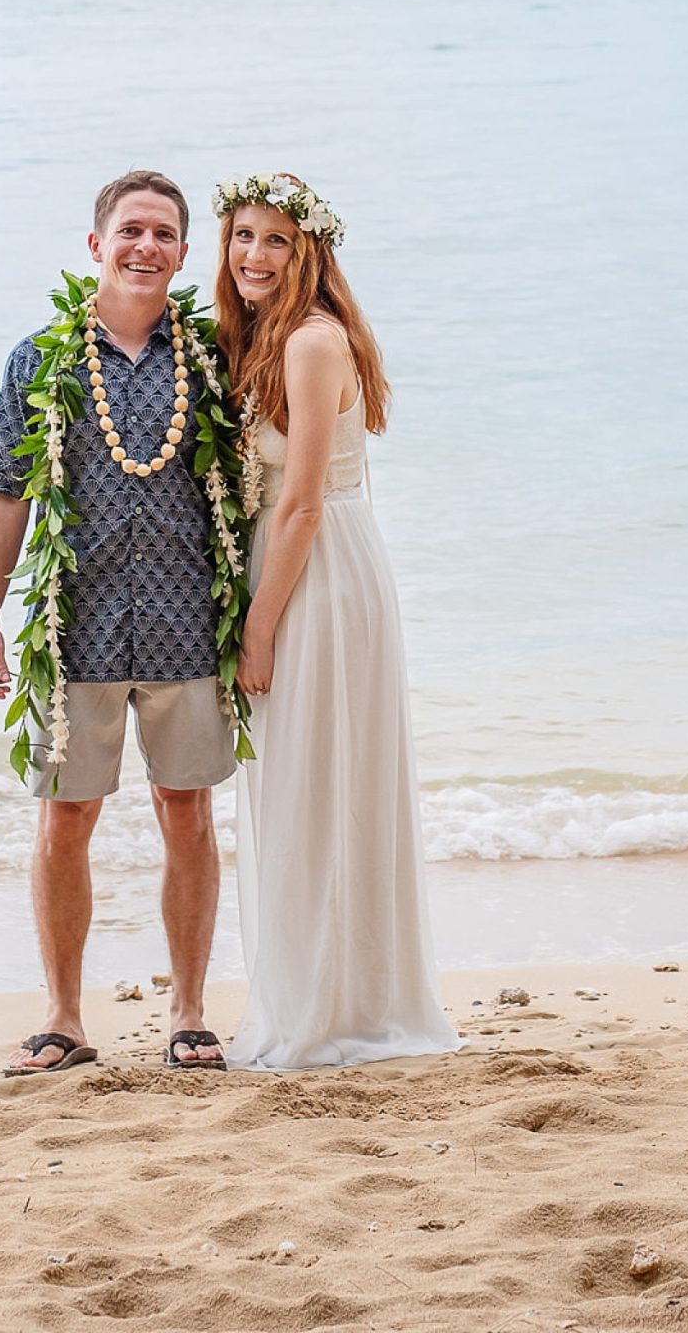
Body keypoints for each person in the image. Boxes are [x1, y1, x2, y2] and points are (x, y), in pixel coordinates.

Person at [0, 169, 236, 1076]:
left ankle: (190, 1015)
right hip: (70, 627)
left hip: (186, 625)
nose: (145, 247)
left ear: (184, 254)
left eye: (163, 233)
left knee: (187, 813)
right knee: (65, 818)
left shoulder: (212, 361)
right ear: (96, 245)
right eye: (130, 230)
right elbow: (3, 492)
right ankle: (63, 1019)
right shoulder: (39, 357)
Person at [217, 172, 460, 1070]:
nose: (255, 255)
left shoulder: (314, 343)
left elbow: (305, 504)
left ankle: (338, 1012)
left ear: (310, 251)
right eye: (244, 235)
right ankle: (317, 995)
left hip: (316, 573)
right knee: (302, 786)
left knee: (321, 783)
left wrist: (257, 630)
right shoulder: (260, 338)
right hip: (293, 566)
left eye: (277, 240)